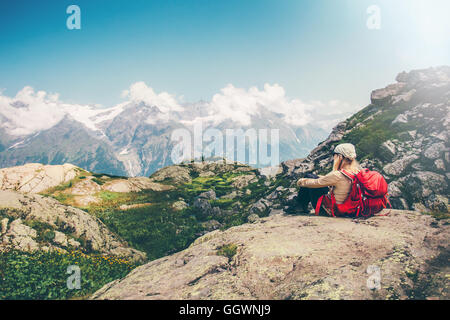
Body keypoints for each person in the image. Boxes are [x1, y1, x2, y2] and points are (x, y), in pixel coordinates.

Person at [295, 143, 361, 216]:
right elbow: (330, 179)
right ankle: (300, 206)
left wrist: (300, 181)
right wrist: (320, 177)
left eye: (334, 155)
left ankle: (300, 207)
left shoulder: (338, 175)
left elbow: (316, 183)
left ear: (340, 157)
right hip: (349, 207)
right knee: (312, 176)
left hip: (334, 210)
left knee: (309, 176)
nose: (334, 158)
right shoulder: (356, 171)